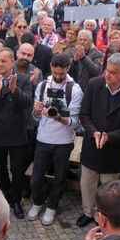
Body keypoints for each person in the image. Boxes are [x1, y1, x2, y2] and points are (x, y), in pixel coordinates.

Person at [77, 53, 120, 227]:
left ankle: (104, 216)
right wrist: (94, 132)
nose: (108, 75)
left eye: (113, 72)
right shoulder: (94, 84)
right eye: (107, 70)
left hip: (114, 149)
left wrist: (109, 136)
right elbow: (84, 115)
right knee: (87, 182)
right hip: (92, 144)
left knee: (109, 188)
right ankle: (87, 212)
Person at [28, 53, 83, 226]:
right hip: (43, 139)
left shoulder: (75, 89)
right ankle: (37, 202)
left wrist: (58, 117)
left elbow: (75, 123)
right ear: (51, 67)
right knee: (36, 177)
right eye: (55, 73)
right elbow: (35, 118)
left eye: (62, 73)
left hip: (64, 142)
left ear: (68, 68)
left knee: (59, 178)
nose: (58, 77)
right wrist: (37, 111)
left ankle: (51, 207)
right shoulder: (43, 85)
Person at [0, 48, 33, 219]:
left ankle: (16, 200)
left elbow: (27, 103)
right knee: (0, 169)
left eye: (4, 61)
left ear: (12, 62)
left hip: (17, 134)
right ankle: (8, 196)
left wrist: (14, 90)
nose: (0, 64)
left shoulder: (23, 79)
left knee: (17, 170)